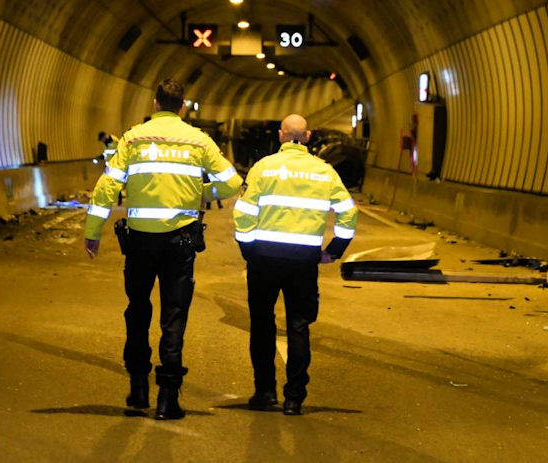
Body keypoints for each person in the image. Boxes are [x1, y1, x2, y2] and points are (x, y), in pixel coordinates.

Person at [85, 78, 243, 420]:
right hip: (180, 243)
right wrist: (205, 194)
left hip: (140, 240)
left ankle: (138, 388)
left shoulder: (133, 138)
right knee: (174, 315)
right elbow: (232, 181)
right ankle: (167, 400)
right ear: (182, 105)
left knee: (138, 309)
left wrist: (92, 232)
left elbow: (107, 186)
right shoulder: (198, 140)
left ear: (155, 104)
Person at [232, 114, 358, 415]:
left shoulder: (264, 167)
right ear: (309, 136)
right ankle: (294, 398)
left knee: (262, 325)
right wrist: (334, 250)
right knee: (298, 327)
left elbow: (244, 213)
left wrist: (248, 248)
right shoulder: (324, 172)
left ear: (281, 136)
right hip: (303, 261)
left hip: (264, 258)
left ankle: (264, 393)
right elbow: (348, 215)